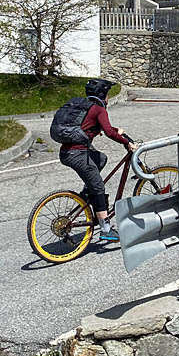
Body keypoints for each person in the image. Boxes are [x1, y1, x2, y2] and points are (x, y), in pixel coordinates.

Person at [58, 79, 137, 243]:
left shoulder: (86, 107)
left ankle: (88, 194)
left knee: (101, 159)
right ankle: (106, 229)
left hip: (67, 152)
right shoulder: (99, 109)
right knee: (99, 187)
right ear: (102, 95)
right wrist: (127, 142)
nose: (108, 98)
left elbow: (102, 128)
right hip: (77, 154)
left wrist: (116, 130)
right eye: (107, 94)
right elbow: (108, 132)